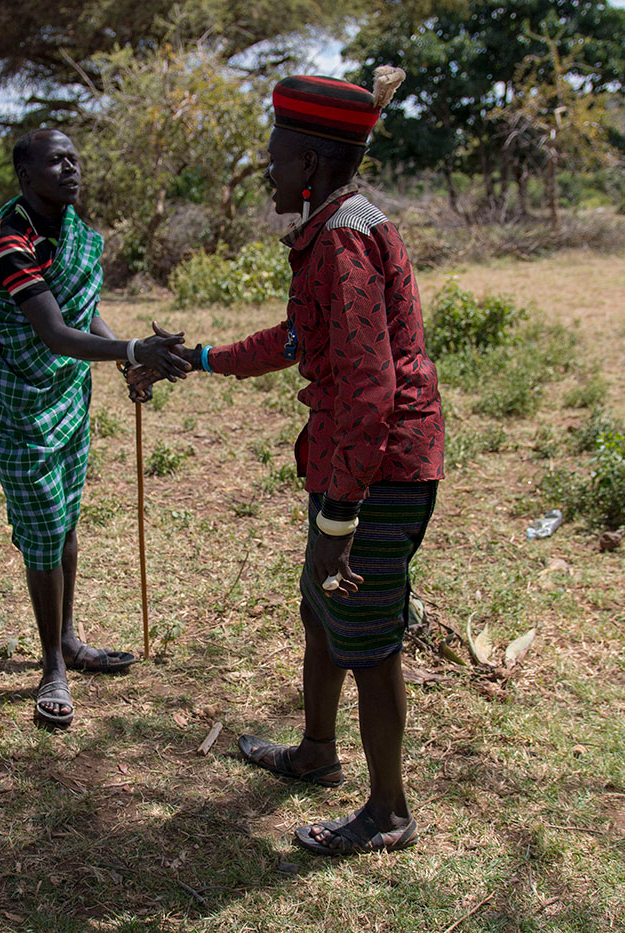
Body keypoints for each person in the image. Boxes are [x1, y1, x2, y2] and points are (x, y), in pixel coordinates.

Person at [129, 69, 444, 855]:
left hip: (375, 470)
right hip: (353, 463)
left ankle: (389, 811)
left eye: (273, 154)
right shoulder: (333, 225)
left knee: (366, 637)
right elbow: (299, 340)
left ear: (308, 162)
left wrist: (339, 514)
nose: (266, 168)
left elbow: (371, 391)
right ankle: (314, 750)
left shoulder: (342, 237)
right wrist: (197, 356)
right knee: (320, 604)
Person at [0, 128, 189, 729]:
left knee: (66, 523)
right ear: (26, 176)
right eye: (56, 161)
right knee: (43, 529)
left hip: (66, 395)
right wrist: (134, 347)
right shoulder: (8, 241)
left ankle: (70, 640)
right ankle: (52, 663)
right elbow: (53, 332)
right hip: (20, 400)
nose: (71, 169)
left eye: (75, 159)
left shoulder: (74, 235)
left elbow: (81, 315)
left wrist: (127, 358)